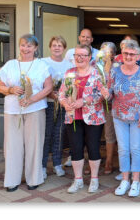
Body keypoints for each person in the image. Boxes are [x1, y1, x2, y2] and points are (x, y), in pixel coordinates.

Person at [0, 34, 53, 192]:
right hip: (12, 110)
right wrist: (10, 89)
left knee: (34, 144)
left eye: (29, 46)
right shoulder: (10, 64)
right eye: (23, 45)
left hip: (35, 109)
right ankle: (12, 180)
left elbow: (48, 87)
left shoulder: (41, 65)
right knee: (12, 145)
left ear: (35, 48)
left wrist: (32, 99)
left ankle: (34, 178)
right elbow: (0, 87)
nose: (25, 49)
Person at [102, 40, 140, 197]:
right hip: (119, 116)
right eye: (126, 54)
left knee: (136, 148)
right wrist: (105, 94)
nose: (129, 56)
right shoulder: (114, 72)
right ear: (121, 55)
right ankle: (125, 180)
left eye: (132, 54)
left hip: (138, 117)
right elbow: (110, 95)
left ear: (137, 56)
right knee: (123, 149)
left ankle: (136, 181)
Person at [59, 44, 106, 194]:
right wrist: (65, 103)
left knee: (93, 148)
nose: (79, 58)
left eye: (83, 55)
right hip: (73, 116)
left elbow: (102, 95)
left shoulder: (97, 73)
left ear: (90, 57)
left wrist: (84, 101)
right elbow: (61, 93)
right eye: (76, 55)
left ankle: (94, 179)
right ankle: (78, 180)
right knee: (75, 148)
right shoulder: (69, 73)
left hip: (93, 117)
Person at [42, 36, 72, 180]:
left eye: (60, 45)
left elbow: (71, 85)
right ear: (50, 47)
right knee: (46, 135)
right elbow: (39, 83)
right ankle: (42, 166)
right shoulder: (43, 63)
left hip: (61, 105)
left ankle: (57, 164)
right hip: (47, 104)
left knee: (59, 135)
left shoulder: (68, 65)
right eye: (54, 45)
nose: (57, 47)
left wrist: (62, 96)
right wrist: (51, 94)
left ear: (64, 48)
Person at [96, 41, 118, 175]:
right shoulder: (94, 66)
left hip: (111, 105)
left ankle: (109, 160)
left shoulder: (118, 67)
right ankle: (95, 159)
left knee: (109, 133)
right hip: (96, 105)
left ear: (114, 54)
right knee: (94, 134)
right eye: (103, 51)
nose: (106, 54)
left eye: (109, 52)